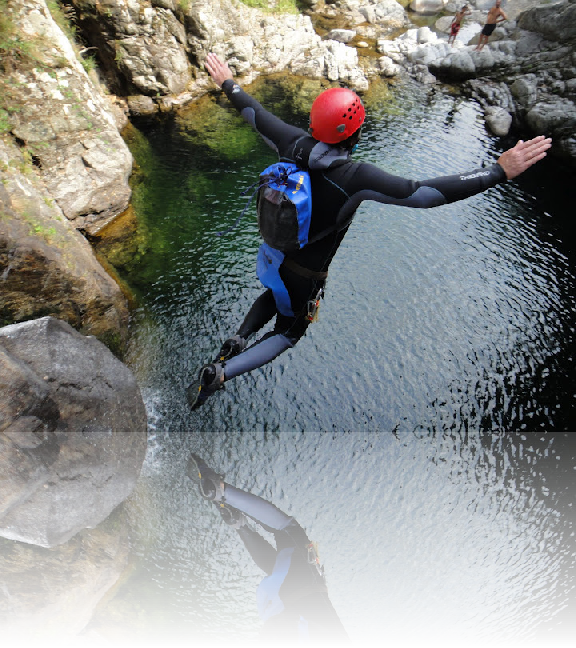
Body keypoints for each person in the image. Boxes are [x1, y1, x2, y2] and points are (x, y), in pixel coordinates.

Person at [187, 52, 552, 410]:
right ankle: (222, 373)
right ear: (353, 133)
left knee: (275, 292)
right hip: (303, 275)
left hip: (272, 256)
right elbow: (424, 194)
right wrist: (497, 172)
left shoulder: (290, 141)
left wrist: (227, 83)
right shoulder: (354, 177)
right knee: (288, 331)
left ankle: (238, 337)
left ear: (315, 122)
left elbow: (254, 112)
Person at [187, 454, 353, 648]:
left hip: (303, 590)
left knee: (289, 531)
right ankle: (239, 524)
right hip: (276, 606)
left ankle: (219, 491)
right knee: (278, 569)